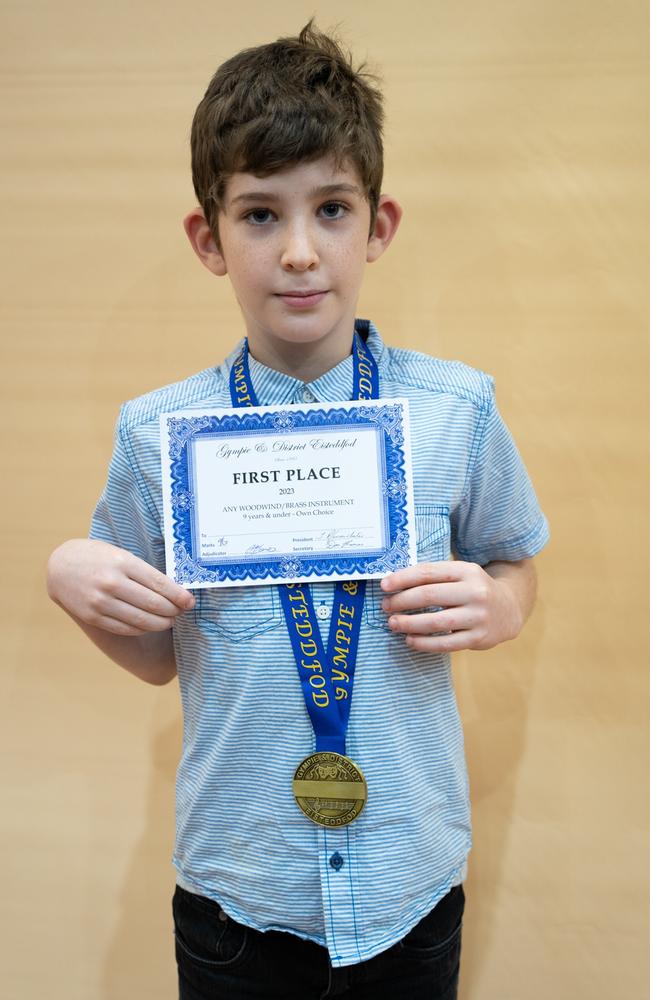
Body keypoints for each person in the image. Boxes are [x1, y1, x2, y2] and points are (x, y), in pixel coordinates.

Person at [47, 21, 549, 1000]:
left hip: (409, 887)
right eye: (260, 215)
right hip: (239, 897)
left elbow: (514, 563)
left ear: (379, 225)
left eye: (329, 208)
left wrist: (500, 607)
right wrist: (72, 583)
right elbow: (157, 655)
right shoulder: (158, 436)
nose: (299, 252)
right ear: (208, 237)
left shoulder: (453, 409)